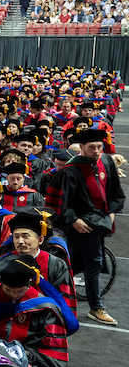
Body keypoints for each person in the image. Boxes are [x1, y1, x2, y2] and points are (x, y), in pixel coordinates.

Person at [46, 127, 124, 324]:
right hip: (77, 225)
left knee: (89, 263)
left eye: (100, 147)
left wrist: (112, 212)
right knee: (72, 264)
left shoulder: (106, 162)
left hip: (99, 223)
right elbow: (56, 203)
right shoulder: (70, 170)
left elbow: (115, 191)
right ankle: (88, 306)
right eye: (92, 147)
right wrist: (73, 220)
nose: (97, 151)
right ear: (81, 147)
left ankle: (93, 306)